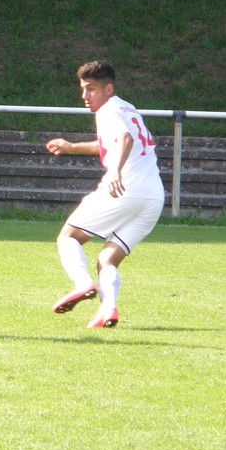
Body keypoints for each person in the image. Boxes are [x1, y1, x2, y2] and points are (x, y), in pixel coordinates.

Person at [46, 61, 165, 328]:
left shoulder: (108, 111)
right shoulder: (127, 108)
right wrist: (71, 146)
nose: (84, 96)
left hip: (124, 189)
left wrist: (115, 172)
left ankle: (82, 284)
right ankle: (108, 309)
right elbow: (111, 143)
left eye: (91, 89)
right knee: (107, 259)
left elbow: (125, 140)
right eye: (83, 89)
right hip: (153, 197)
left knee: (68, 237)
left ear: (108, 89)